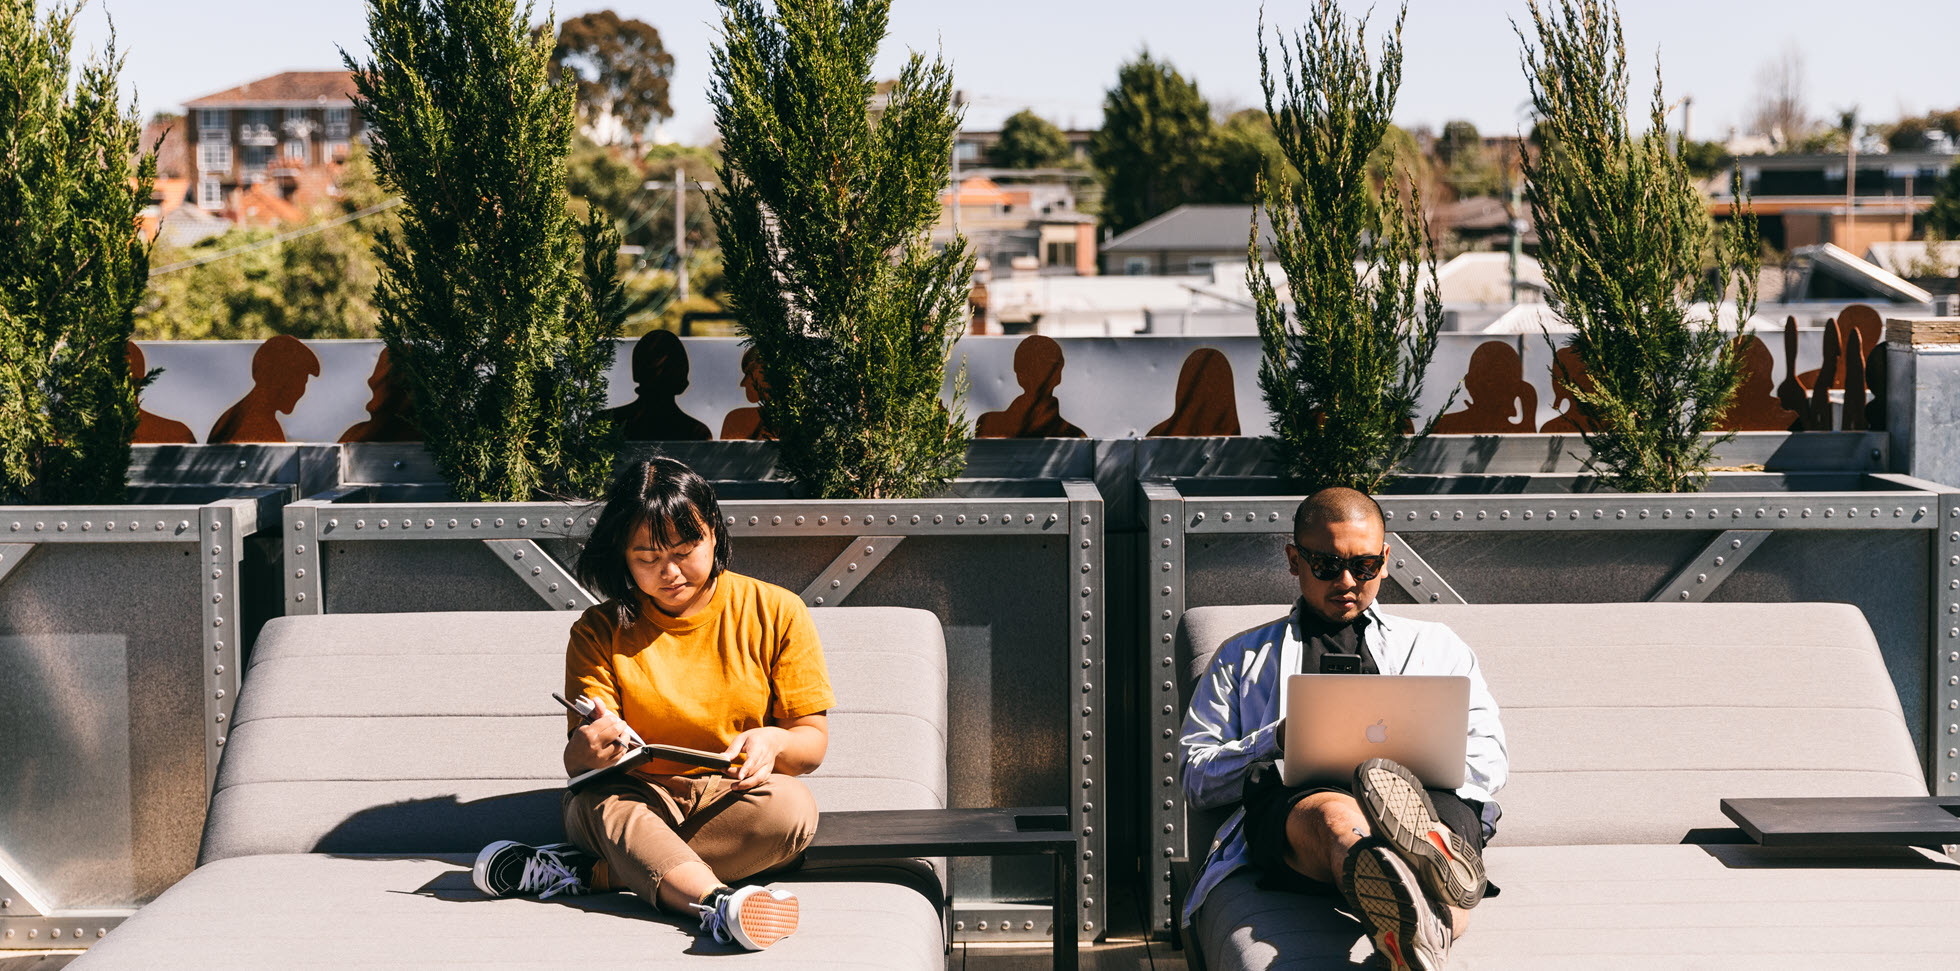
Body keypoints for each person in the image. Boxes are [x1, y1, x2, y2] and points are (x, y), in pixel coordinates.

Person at [471, 456, 833, 951]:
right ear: (622, 556)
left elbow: (811, 745)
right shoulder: (598, 630)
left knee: (790, 809)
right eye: (646, 558)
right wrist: (591, 747)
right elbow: (578, 766)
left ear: (715, 536)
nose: (671, 572)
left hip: (727, 798)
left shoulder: (776, 610)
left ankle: (592, 873)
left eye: (687, 550)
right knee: (607, 805)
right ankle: (719, 905)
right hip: (629, 797)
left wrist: (773, 740)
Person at [1180, 487, 1508, 971]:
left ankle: (1412, 930)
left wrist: (1419, 765)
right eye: (1327, 565)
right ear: (1294, 560)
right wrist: (1275, 741)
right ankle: (1412, 871)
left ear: (1386, 559)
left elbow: (1489, 759)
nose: (1349, 580)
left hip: (1425, 800)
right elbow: (1195, 776)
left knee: (1435, 831)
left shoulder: (1439, 647)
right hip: (1302, 811)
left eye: (1367, 565)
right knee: (1339, 818)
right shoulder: (1242, 657)